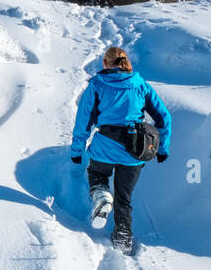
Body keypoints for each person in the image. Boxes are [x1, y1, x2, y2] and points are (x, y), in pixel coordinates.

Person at [69, 46, 171, 255]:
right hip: (135, 152)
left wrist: (77, 150)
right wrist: (162, 147)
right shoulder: (141, 85)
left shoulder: (97, 84)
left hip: (104, 148)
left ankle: (102, 198)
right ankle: (122, 239)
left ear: (105, 63)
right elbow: (164, 117)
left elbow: (83, 121)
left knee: (97, 174)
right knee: (124, 198)